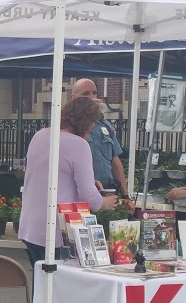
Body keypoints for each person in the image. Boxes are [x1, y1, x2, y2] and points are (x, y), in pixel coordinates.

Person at [19, 97, 118, 266]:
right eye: (93, 122)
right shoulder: (79, 144)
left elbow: (49, 175)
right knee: (58, 287)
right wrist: (105, 202)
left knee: (42, 285)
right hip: (57, 229)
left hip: (29, 226)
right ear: (85, 121)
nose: (93, 127)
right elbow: (90, 199)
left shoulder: (39, 136)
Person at [70, 78, 129, 199]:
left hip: (107, 191)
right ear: (74, 98)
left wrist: (125, 194)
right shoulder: (70, 126)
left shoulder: (105, 125)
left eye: (94, 93)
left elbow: (115, 160)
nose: (91, 97)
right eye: (85, 94)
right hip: (81, 193)